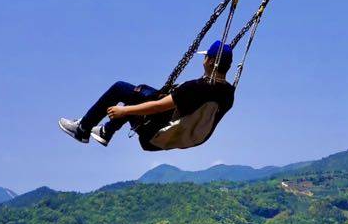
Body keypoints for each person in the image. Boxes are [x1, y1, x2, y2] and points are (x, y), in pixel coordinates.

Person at [57, 41, 237, 152]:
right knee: (145, 93)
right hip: (186, 136)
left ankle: (82, 129)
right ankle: (106, 131)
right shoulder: (228, 94)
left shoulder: (195, 88)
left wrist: (124, 111)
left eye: (206, 57)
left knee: (121, 89)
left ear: (212, 61)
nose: (203, 59)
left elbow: (159, 107)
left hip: (156, 135)